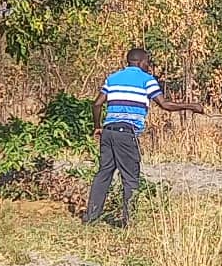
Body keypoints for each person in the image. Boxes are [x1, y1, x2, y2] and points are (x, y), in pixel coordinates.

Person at [83, 48, 205, 227]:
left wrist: (97, 127)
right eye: (148, 62)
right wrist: (192, 106)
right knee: (130, 177)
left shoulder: (113, 78)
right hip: (127, 133)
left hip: (108, 132)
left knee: (103, 174)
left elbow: (97, 104)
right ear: (140, 62)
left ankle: (91, 217)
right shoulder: (147, 80)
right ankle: (129, 221)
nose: (149, 65)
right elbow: (165, 105)